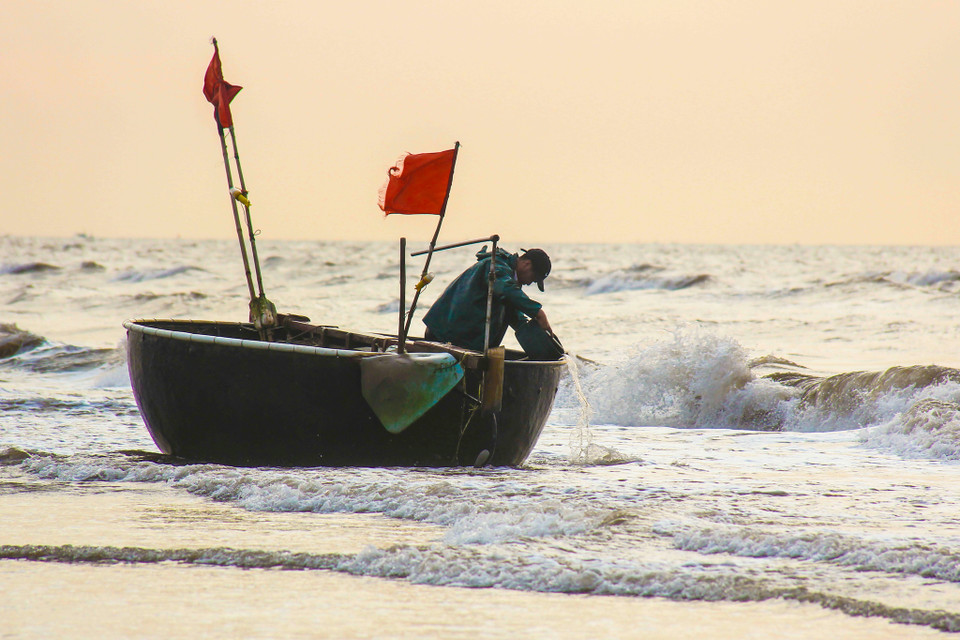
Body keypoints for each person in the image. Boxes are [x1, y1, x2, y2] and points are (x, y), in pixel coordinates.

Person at [423, 246, 553, 351]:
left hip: (463, 339)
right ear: (527, 264)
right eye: (533, 279)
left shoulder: (509, 279)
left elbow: (515, 315)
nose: (530, 283)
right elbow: (505, 289)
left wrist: (540, 338)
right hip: (444, 335)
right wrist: (538, 313)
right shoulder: (496, 266)